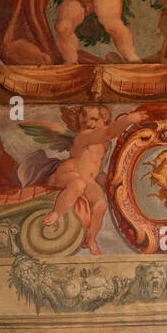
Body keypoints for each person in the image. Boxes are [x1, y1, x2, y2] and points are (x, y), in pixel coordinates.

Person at [42, 105, 147, 255]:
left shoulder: (106, 144)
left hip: (87, 181)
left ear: (105, 120)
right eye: (84, 123)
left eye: (94, 119)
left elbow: (97, 168)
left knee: (100, 205)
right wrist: (129, 119)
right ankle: (56, 213)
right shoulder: (85, 137)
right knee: (78, 184)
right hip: (68, 174)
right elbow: (109, 133)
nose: (89, 124)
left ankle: (90, 239)